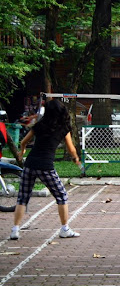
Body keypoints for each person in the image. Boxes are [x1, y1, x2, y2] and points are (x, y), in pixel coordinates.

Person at [9, 99, 82, 240]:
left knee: (22, 198)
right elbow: (71, 149)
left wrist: (22, 151)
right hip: (46, 166)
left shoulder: (39, 125)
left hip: (30, 164)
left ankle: (15, 230)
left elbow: (24, 141)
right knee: (62, 196)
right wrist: (76, 158)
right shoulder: (63, 128)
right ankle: (65, 229)